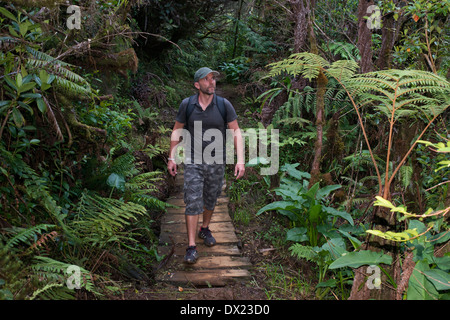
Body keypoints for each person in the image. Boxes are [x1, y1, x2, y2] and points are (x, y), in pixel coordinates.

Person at [167, 67, 245, 264]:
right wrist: (172, 157)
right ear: (197, 84)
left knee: (211, 197)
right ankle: (191, 246)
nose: (212, 82)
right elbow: (177, 131)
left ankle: (205, 228)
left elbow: (236, 131)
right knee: (192, 200)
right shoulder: (187, 105)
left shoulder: (223, 105)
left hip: (217, 160)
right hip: (193, 159)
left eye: (213, 79)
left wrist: (240, 159)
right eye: (207, 79)